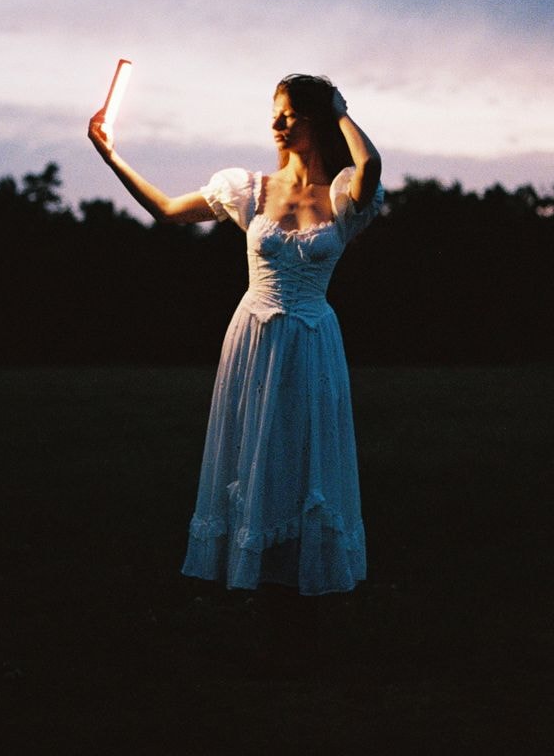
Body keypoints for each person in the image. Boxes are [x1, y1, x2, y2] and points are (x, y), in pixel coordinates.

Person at [88, 74, 382, 596]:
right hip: (254, 338)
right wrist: (112, 157)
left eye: (288, 114)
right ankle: (252, 579)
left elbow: (370, 166)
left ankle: (303, 581)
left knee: (305, 453)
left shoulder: (341, 194)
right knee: (253, 452)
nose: (276, 123)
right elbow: (166, 211)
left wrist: (339, 108)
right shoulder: (248, 189)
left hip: (313, 342)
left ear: (313, 119)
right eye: (273, 112)